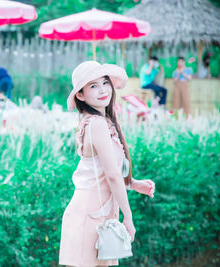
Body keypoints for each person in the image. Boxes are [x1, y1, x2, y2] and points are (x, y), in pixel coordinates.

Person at [59, 61, 155, 267]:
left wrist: (132, 183)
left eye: (105, 82)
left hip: (100, 214)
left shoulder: (102, 121)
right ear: (80, 95)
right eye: (93, 86)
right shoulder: (97, 124)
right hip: (88, 215)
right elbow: (111, 175)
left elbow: (104, 171)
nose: (103, 90)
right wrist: (128, 217)